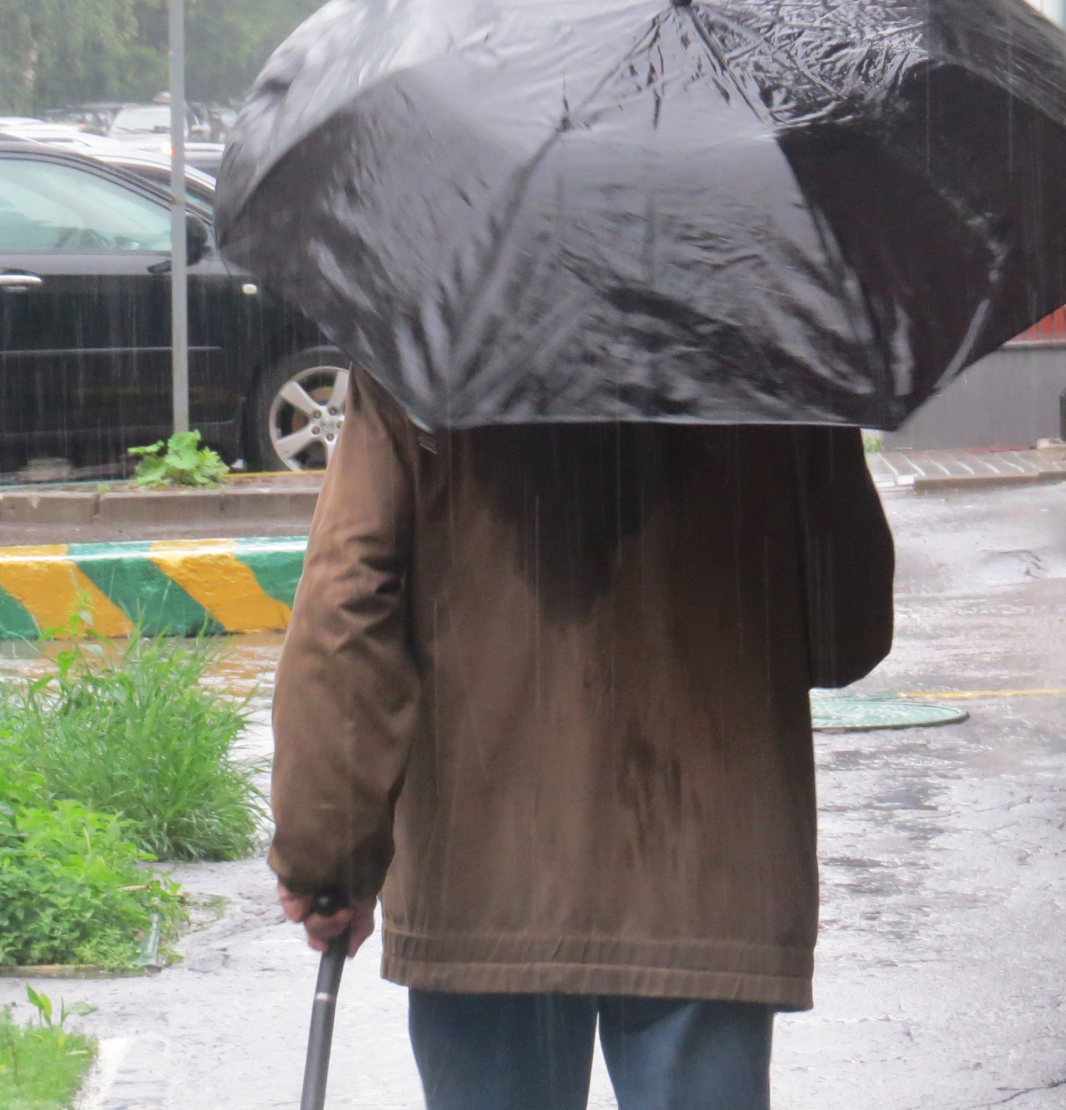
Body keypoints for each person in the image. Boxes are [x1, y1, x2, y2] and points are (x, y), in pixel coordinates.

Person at [270, 367, 895, 1110]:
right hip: (707, 875)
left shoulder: (420, 345)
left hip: (486, 877)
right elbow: (844, 632)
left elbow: (347, 604)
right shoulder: (770, 350)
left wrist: (330, 853)